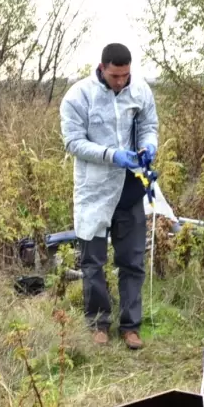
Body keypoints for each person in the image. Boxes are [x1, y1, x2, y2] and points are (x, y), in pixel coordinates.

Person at [59, 42, 158, 350]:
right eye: (115, 76)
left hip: (129, 188)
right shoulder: (78, 96)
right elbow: (73, 142)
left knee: (132, 260)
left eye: (125, 75)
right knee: (93, 261)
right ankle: (98, 322)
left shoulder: (139, 91)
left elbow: (149, 127)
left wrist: (149, 145)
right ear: (102, 69)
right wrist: (111, 155)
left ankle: (130, 326)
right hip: (94, 190)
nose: (121, 82)